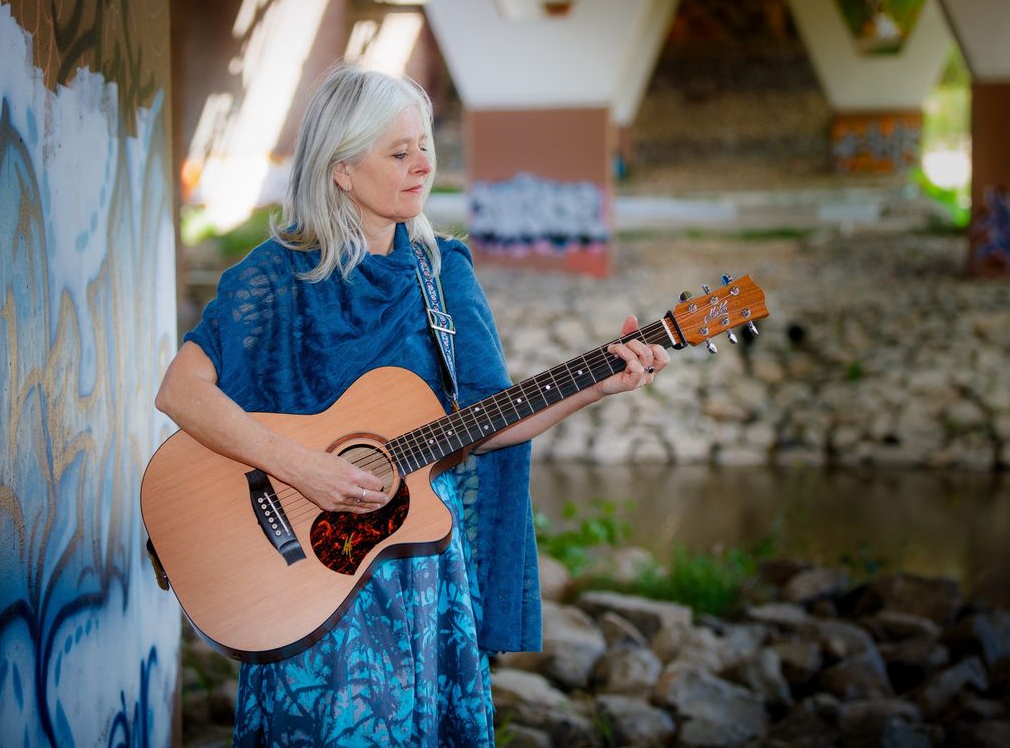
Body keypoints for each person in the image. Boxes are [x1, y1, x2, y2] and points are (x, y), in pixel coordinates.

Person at [155, 64, 670, 747]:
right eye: (399, 152)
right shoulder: (274, 276)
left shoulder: (444, 271)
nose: (422, 164)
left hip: (422, 574)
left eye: (425, 145)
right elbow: (180, 392)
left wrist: (599, 382)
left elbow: (488, 423)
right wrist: (303, 467)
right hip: (306, 583)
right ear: (341, 169)